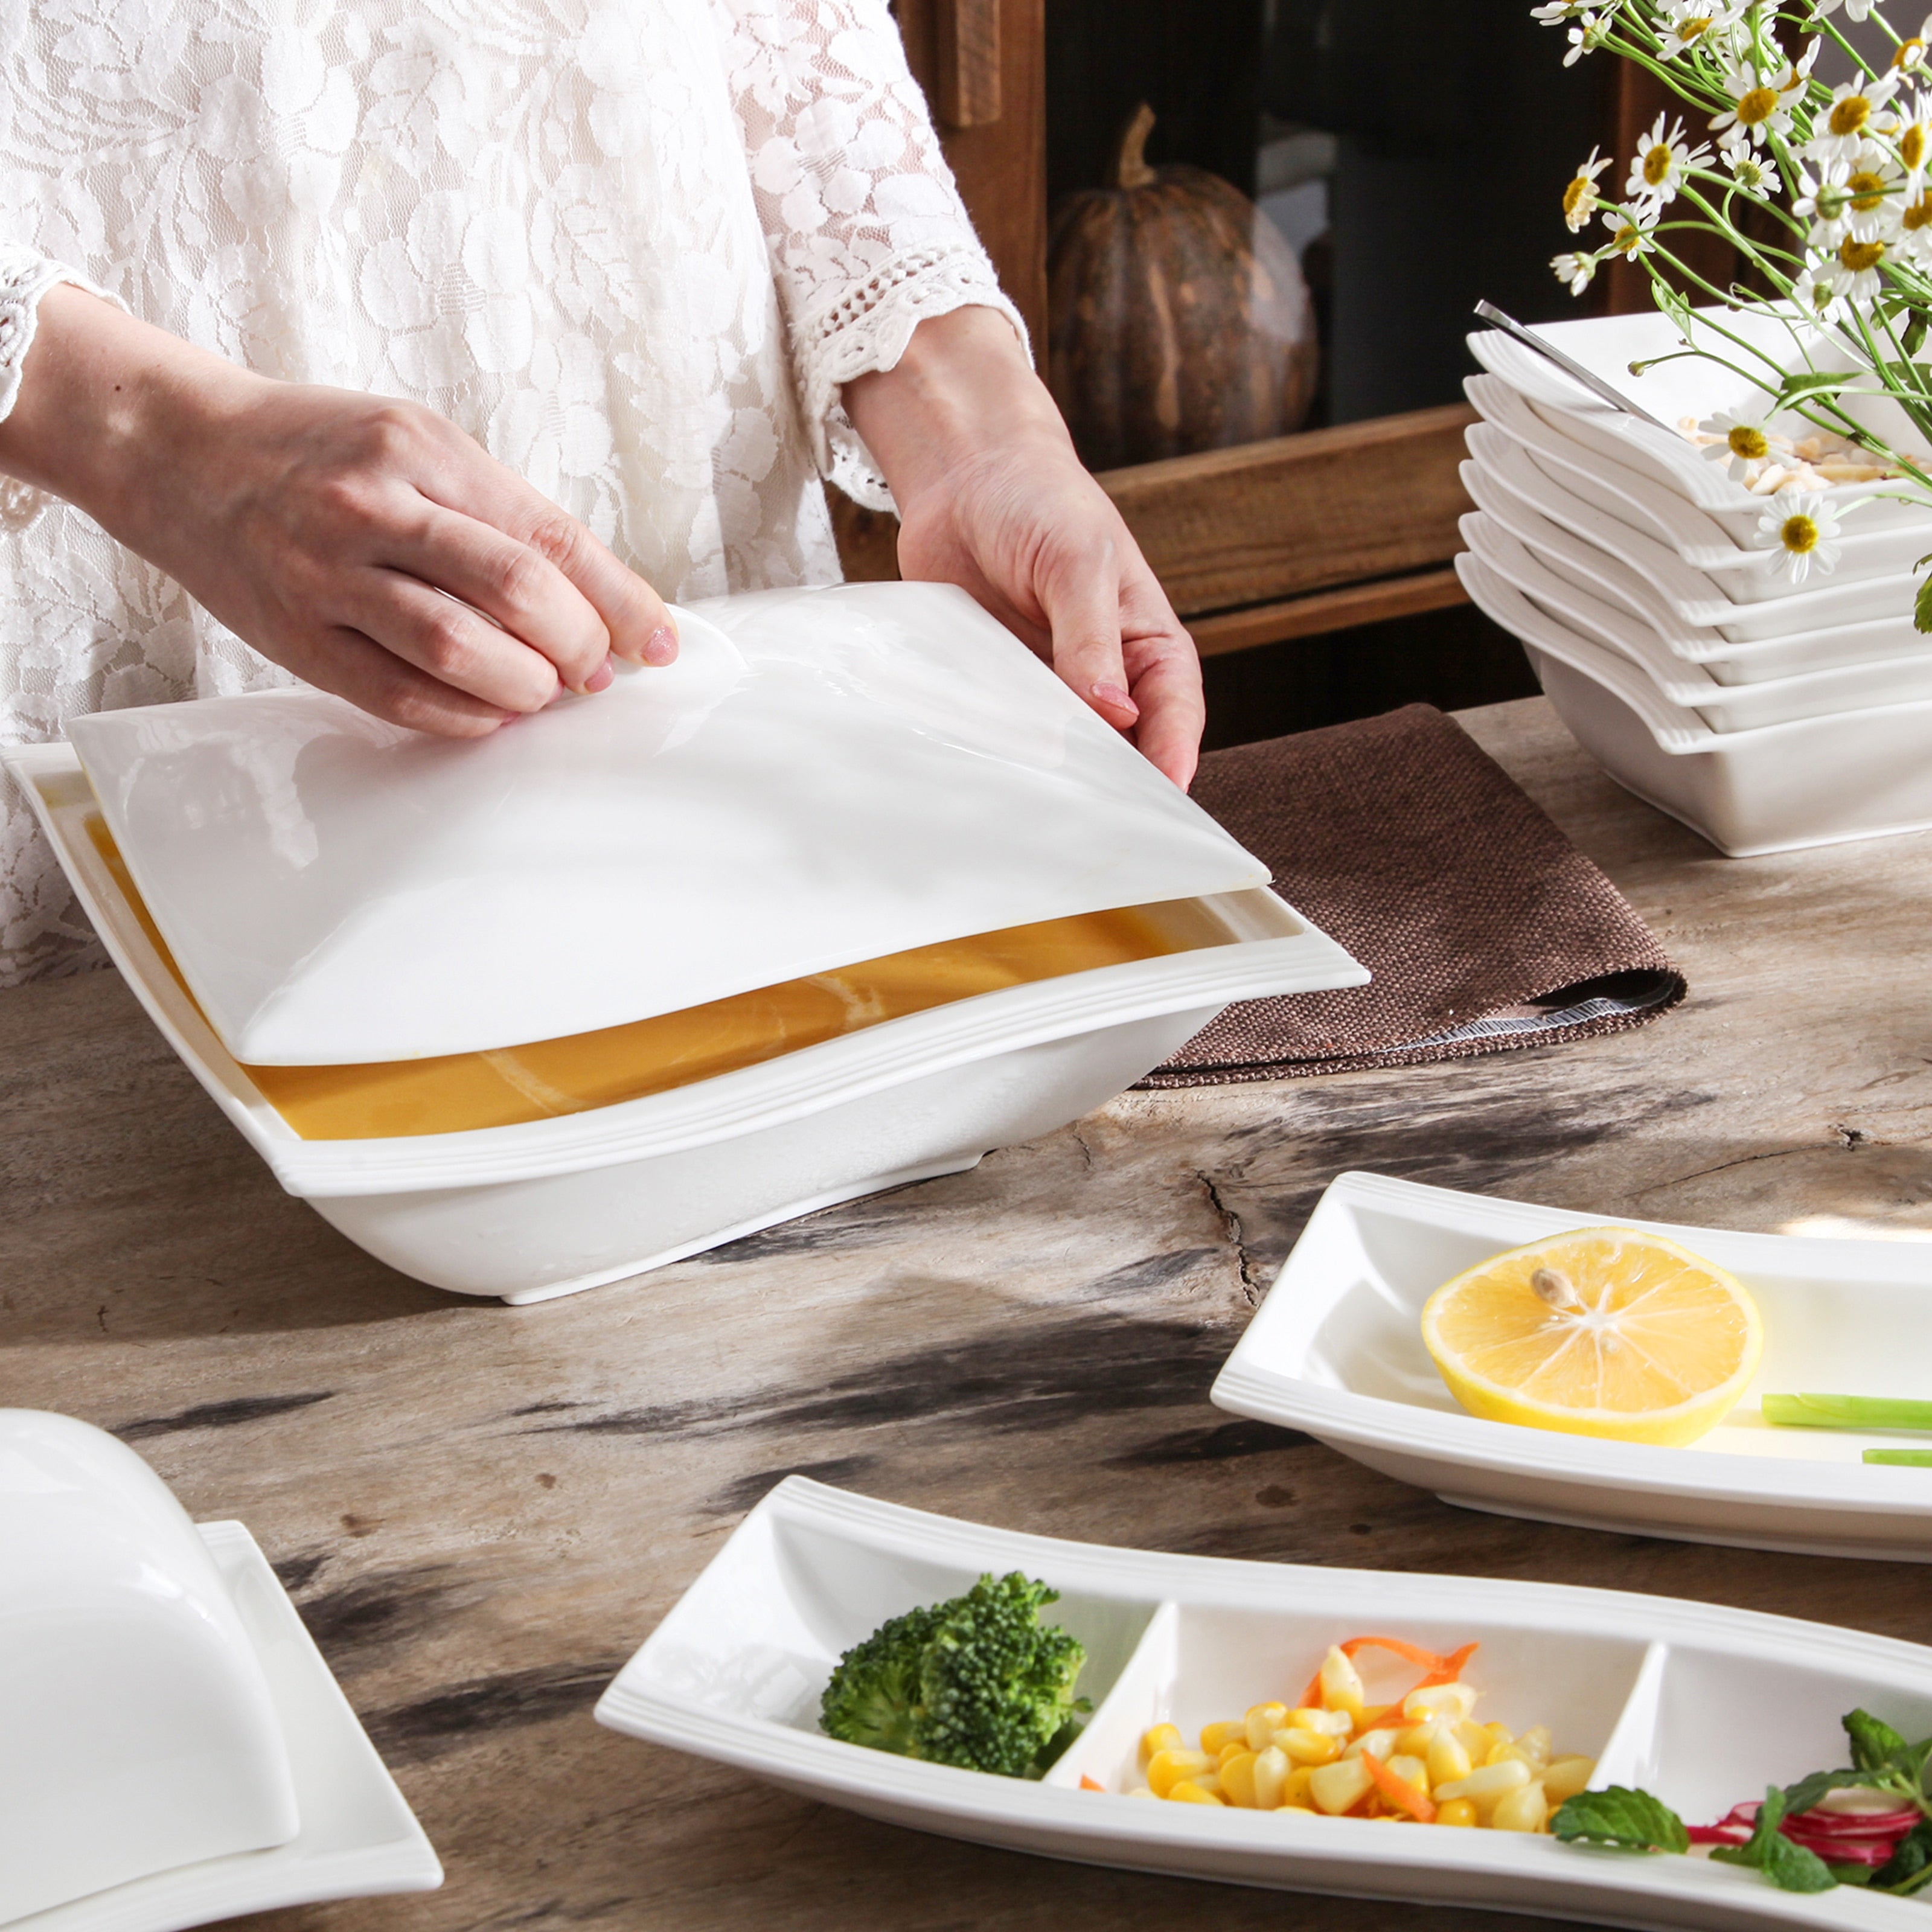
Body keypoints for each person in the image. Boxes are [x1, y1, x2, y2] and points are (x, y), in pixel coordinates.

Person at [0, 0, 1204, 990]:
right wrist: (153, 439)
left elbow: (797, 35)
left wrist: (979, 430)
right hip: (100, 614)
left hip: (693, 675)